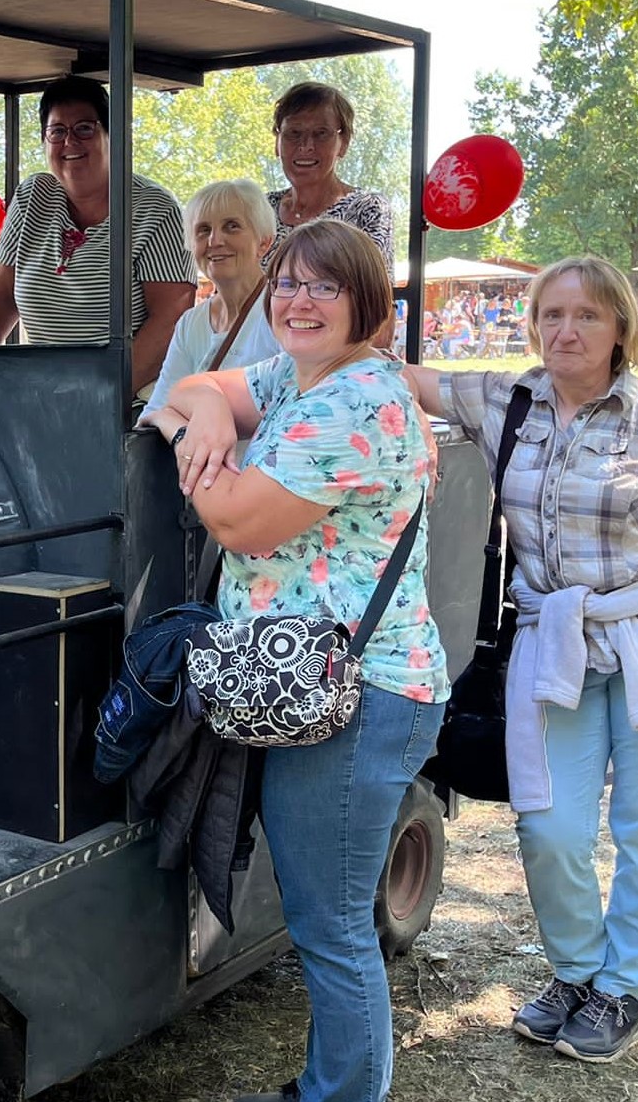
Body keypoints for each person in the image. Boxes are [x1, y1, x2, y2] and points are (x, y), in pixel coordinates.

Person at [400, 255, 638, 1065]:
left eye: (587, 316)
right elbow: (397, 378)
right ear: (532, 323)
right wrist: (217, 401)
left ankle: (621, 987)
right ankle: (575, 972)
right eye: (551, 314)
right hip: (560, 641)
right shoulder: (505, 401)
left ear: (619, 329)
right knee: (548, 825)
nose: (565, 330)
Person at [145, 219, 446, 1102]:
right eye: (288, 283)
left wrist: (190, 448)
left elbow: (238, 519)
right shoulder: (296, 373)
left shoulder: (360, 400)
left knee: (331, 922)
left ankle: (341, 1092)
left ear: (368, 308)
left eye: (324, 287)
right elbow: (202, 384)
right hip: (304, 680)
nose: (298, 301)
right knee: (327, 911)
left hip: (356, 694)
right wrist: (203, 410)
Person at [0, 75, 194, 393]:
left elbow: (171, 317)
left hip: (128, 398)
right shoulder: (32, 197)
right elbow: (2, 296)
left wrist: (106, 395)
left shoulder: (153, 208)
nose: (69, 142)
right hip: (41, 391)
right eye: (57, 131)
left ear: (111, 136)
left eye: (85, 128)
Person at [141, 179, 279, 416]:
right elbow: (157, 410)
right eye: (203, 230)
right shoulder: (190, 324)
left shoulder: (284, 311)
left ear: (264, 242)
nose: (214, 241)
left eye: (232, 226)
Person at [267, 82, 393, 266]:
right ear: (277, 142)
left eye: (321, 133)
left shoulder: (367, 209)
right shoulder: (259, 210)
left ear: (344, 144)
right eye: (294, 132)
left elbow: (375, 291)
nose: (306, 145)